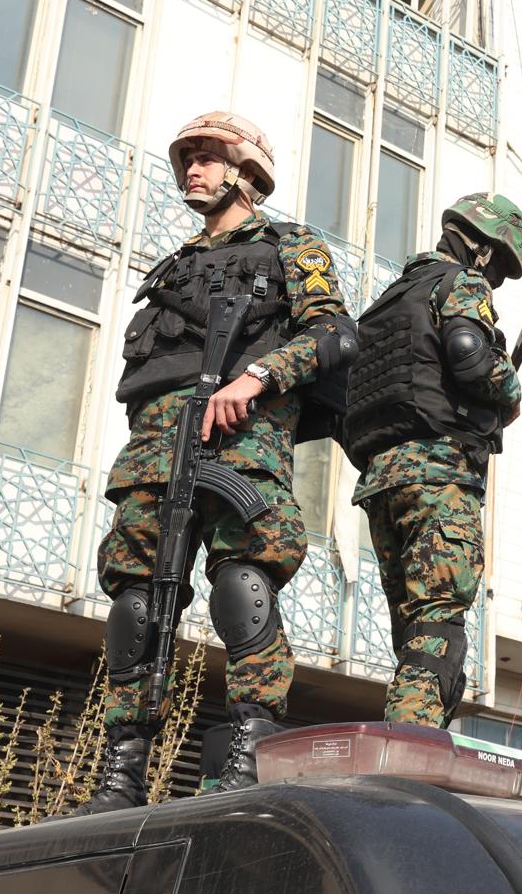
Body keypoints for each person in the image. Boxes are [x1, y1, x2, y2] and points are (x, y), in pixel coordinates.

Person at [76, 112, 354, 813]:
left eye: (206, 158)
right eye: (186, 160)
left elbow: (334, 333)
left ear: (244, 172)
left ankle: (251, 745)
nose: (191, 170)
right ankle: (122, 770)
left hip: (243, 434)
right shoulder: (174, 266)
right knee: (137, 602)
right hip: (154, 445)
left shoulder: (290, 246)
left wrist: (255, 379)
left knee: (242, 584)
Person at [341, 193, 522, 727]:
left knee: (413, 632)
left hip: (382, 482)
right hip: (439, 476)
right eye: (499, 269)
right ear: (484, 250)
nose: (495, 282)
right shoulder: (461, 285)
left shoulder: (386, 301)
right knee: (439, 623)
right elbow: (471, 354)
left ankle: (415, 727)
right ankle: (410, 745)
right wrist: (509, 392)